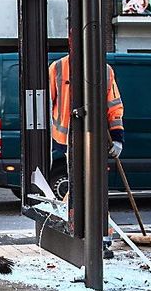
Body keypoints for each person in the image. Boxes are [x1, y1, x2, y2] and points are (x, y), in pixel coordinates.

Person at [49, 45, 125, 256]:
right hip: (67, 140)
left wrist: (117, 136)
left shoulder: (105, 71)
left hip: (95, 139)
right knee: (80, 187)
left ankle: (101, 238)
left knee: (94, 187)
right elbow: (47, 103)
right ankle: (82, 233)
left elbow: (114, 105)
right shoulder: (57, 69)